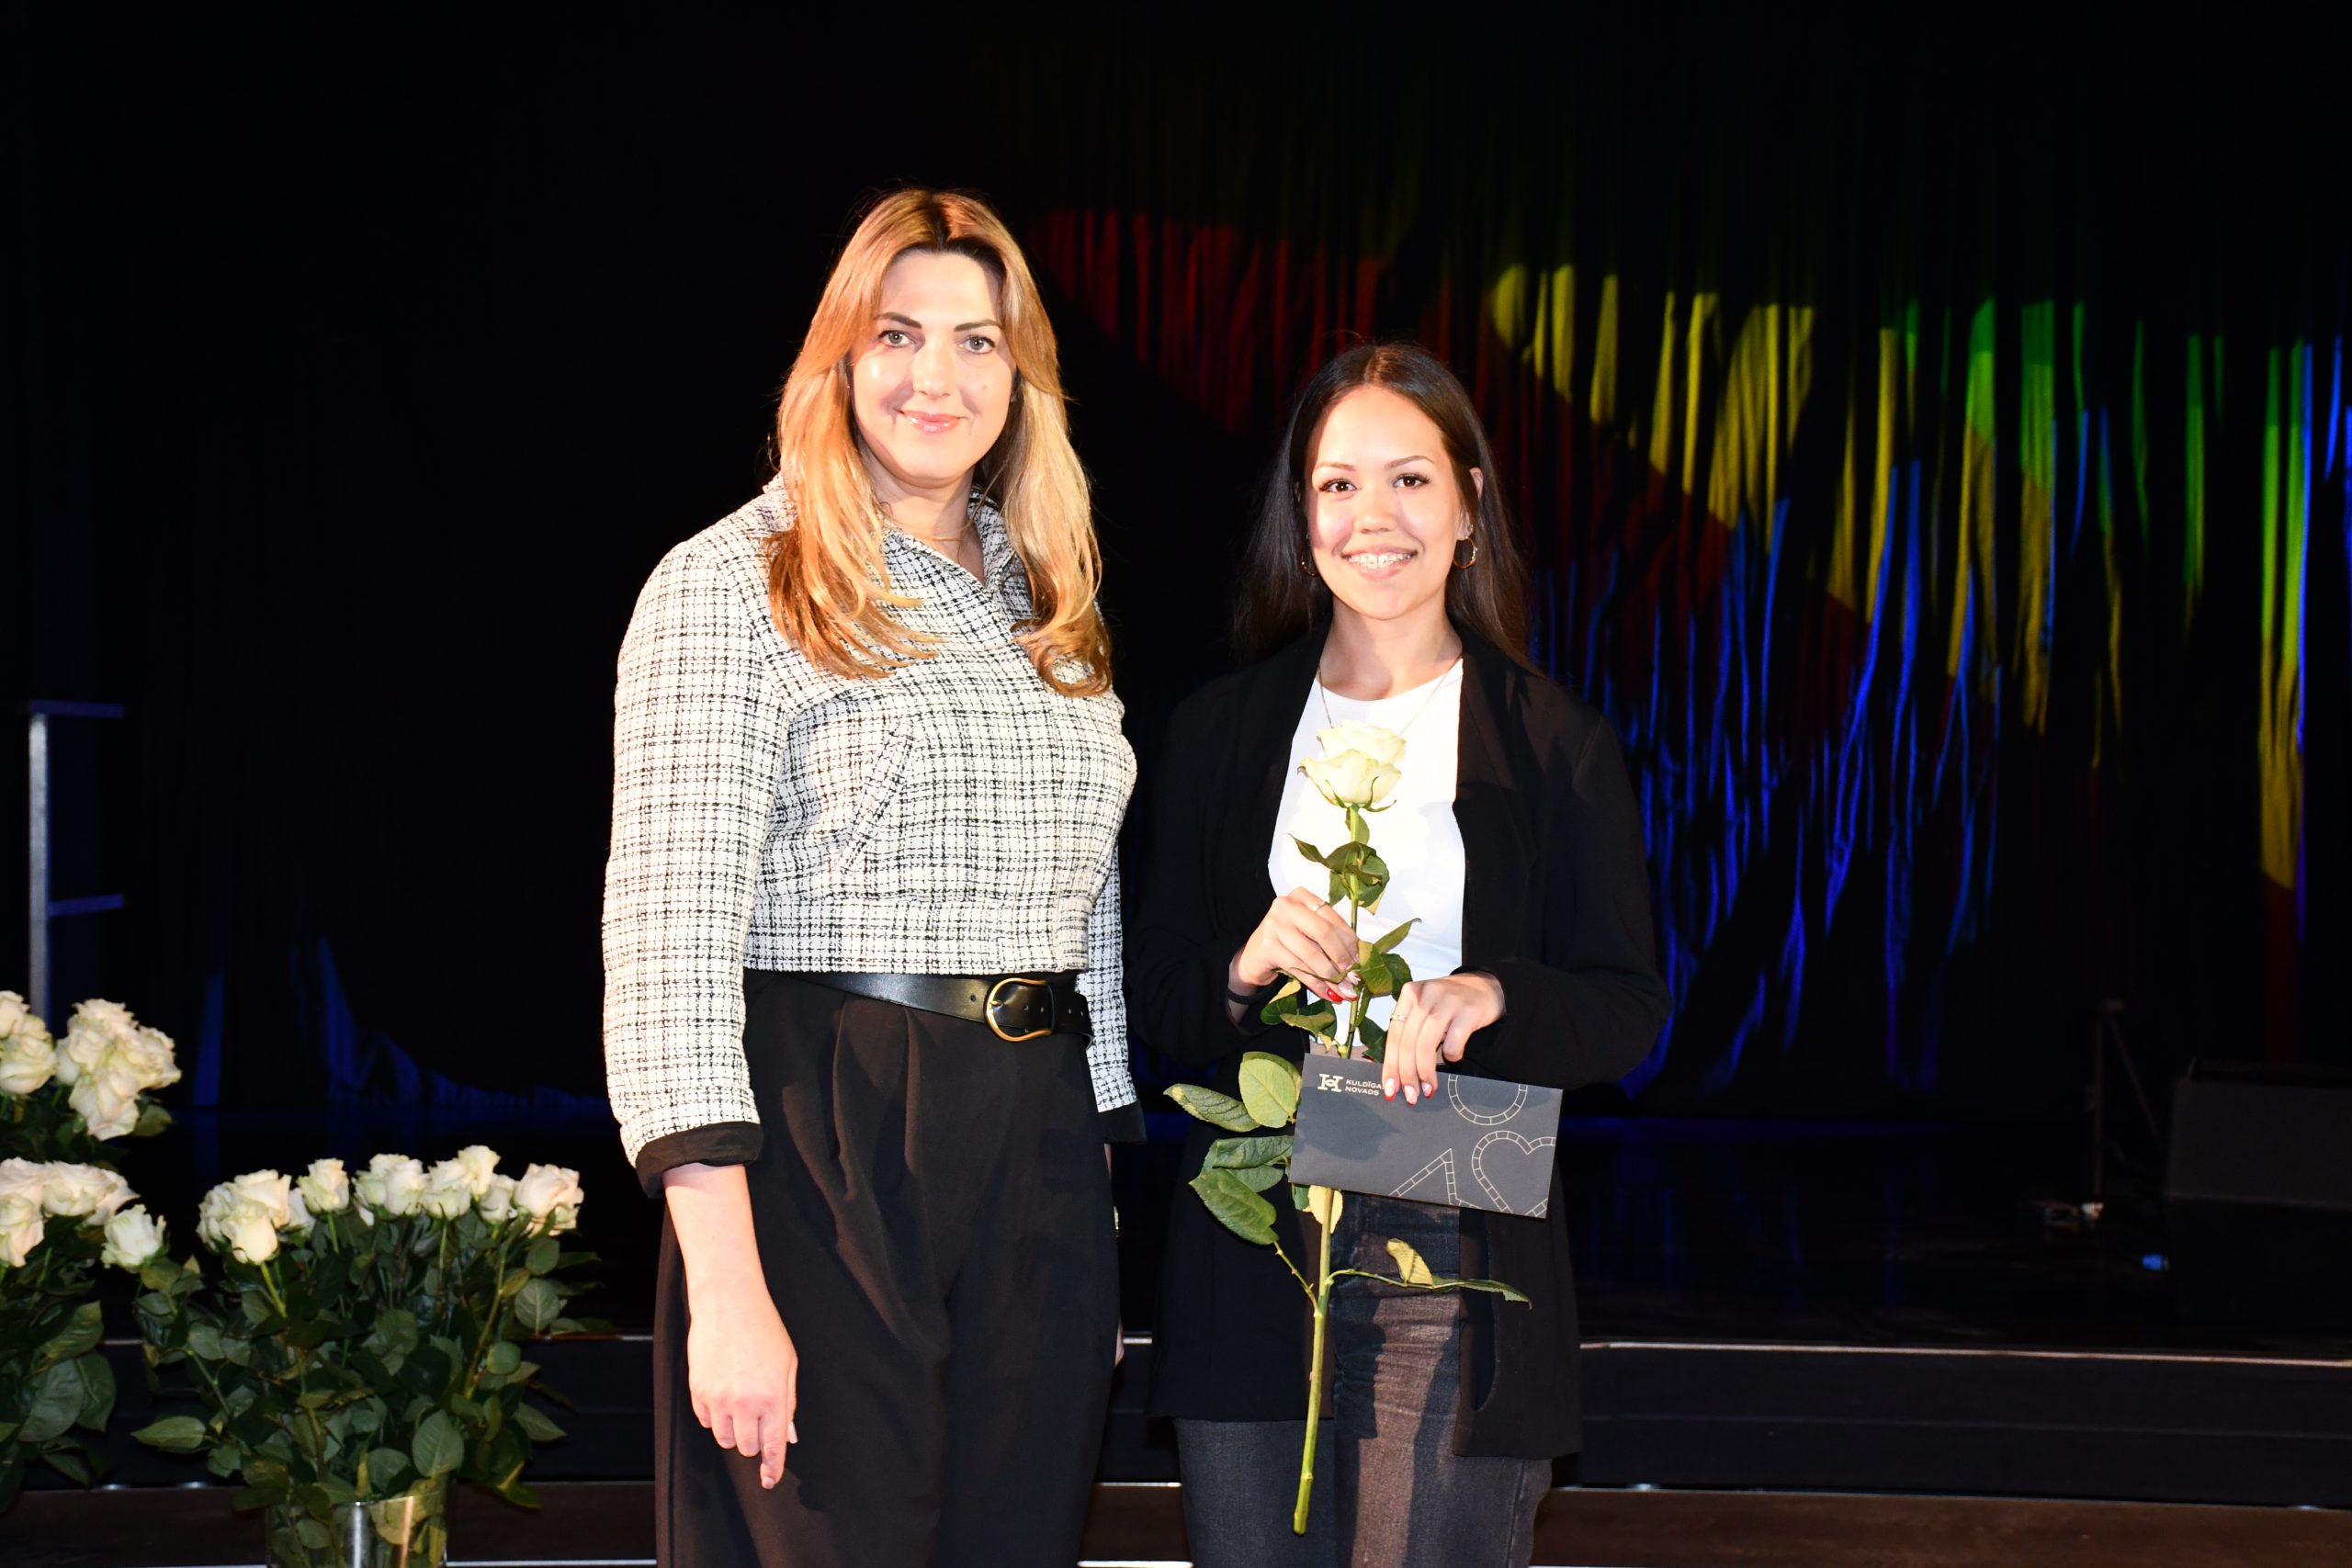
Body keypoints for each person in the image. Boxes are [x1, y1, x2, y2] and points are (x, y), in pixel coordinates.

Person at [602, 188, 1140, 1567]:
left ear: (1022, 378)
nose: (934, 377)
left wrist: (1094, 1172)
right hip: (829, 1139)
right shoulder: (732, 583)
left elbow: (1087, 902)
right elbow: (665, 948)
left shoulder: (1048, 598)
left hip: (1038, 1148)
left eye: (977, 341)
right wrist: (728, 1289)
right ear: (837, 357)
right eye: (897, 334)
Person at [1131, 342, 1671, 1567]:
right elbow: (1157, 996)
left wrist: (1494, 995)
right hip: (1253, 1223)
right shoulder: (1218, 732)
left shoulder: (1554, 742)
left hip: (1456, 1200)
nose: (1372, 516)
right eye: (1337, 484)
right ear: (1301, 515)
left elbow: (1628, 1008)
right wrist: (1242, 968)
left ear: (1469, 505)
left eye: (1410, 480)